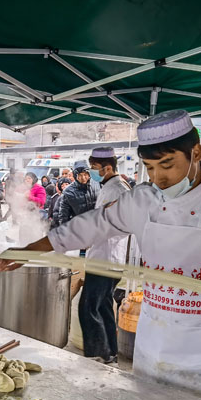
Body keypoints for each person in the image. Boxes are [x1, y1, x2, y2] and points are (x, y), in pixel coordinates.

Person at [0, 110, 201, 400]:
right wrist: (33, 248)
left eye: (167, 165)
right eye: (150, 168)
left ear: (196, 153)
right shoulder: (143, 199)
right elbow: (93, 225)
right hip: (152, 347)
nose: (159, 177)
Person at [79, 147, 133, 364]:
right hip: (107, 256)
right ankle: (110, 351)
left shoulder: (117, 190)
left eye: (94, 169)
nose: (92, 172)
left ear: (107, 167)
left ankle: (96, 355)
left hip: (105, 259)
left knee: (88, 307)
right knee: (102, 305)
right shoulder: (110, 186)